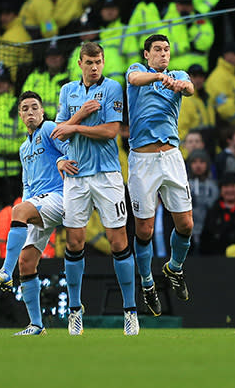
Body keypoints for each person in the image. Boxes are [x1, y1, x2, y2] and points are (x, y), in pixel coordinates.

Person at [51, 42, 137, 336]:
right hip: (76, 175)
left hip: (107, 175)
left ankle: (130, 311)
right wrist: (62, 156)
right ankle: (75, 311)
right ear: (79, 63)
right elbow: (58, 131)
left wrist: (75, 127)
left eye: (98, 61)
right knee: (74, 243)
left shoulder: (113, 88)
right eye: (89, 62)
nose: (94, 66)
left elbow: (110, 132)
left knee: (118, 241)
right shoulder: (67, 91)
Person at [0, 92, 68, 335]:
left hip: (60, 197)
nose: (30, 112)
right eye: (25, 109)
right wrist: (27, 204)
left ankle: (5, 273)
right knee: (26, 262)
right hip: (39, 203)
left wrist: (63, 161)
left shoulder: (50, 129)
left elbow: (72, 150)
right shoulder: (23, 148)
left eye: (34, 108)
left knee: (17, 209)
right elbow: (27, 184)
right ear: (20, 115)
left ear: (42, 112)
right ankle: (36, 325)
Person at [125, 34, 196, 319]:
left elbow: (190, 89)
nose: (163, 54)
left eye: (167, 50)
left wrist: (180, 85)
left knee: (186, 225)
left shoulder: (177, 75)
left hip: (171, 157)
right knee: (144, 230)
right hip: (142, 160)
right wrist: (157, 79)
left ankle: (174, 268)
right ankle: (146, 283)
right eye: (157, 50)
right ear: (146, 54)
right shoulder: (136, 71)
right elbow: (134, 81)